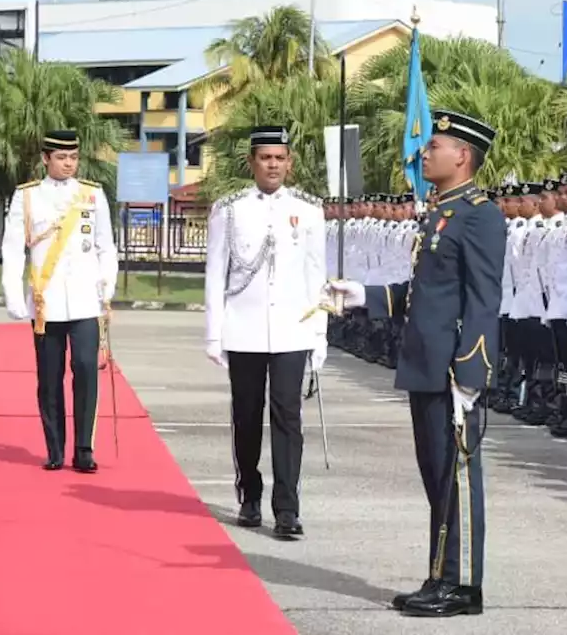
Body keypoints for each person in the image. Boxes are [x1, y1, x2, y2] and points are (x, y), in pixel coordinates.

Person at [326, 110, 506, 618]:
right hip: (425, 360)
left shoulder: (479, 214)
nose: (424, 153)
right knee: (436, 476)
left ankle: (463, 585)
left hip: (452, 366)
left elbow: (482, 302)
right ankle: (441, 574)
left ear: (463, 156)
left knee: (457, 477)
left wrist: (471, 373)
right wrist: (363, 293)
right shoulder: (439, 211)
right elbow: (424, 293)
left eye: (435, 146)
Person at [204, 126, 326, 539]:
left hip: (293, 329)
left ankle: (288, 507)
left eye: (279, 158)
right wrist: (213, 333)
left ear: (290, 162)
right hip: (244, 328)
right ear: (252, 162)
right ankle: (249, 495)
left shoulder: (309, 210)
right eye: (265, 157)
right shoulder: (230, 208)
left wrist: (319, 334)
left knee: (289, 418)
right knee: (247, 416)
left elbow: (317, 275)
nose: (273, 165)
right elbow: (216, 272)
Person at [1, 130, 117, 472]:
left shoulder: (92, 195)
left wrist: (106, 286)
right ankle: (55, 447)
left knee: (84, 368)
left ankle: (84, 448)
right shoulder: (27, 197)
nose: (68, 164)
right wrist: (12, 291)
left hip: (84, 300)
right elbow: (12, 247)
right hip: (45, 302)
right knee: (49, 378)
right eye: (62, 158)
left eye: (73, 158)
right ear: (45, 159)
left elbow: (106, 245)